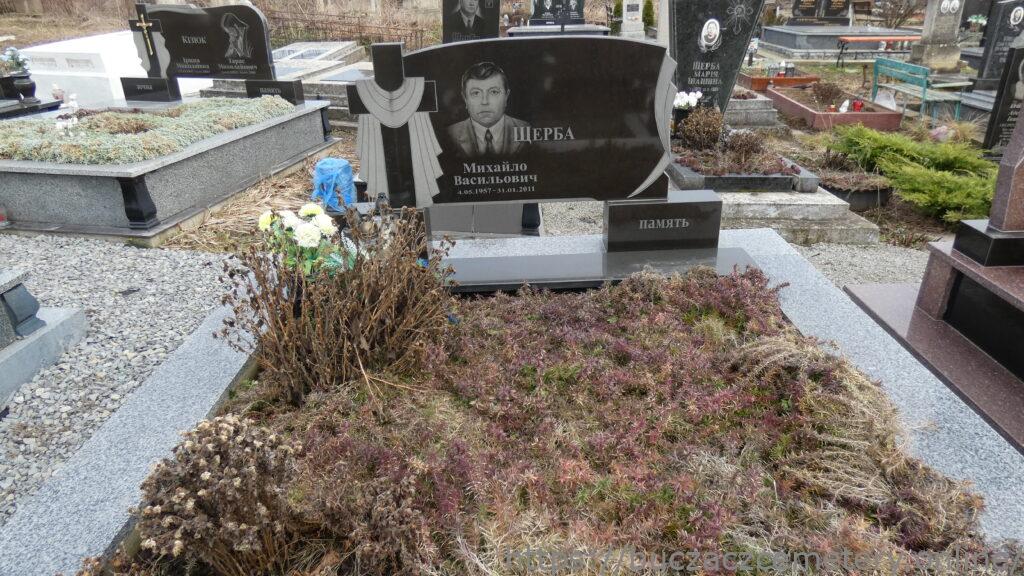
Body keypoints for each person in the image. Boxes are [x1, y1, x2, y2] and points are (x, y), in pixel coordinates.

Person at [447, 62, 530, 158]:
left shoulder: (527, 129)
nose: (485, 102)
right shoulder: (449, 134)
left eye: (494, 92)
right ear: (465, 99)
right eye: (476, 93)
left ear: (506, 96)